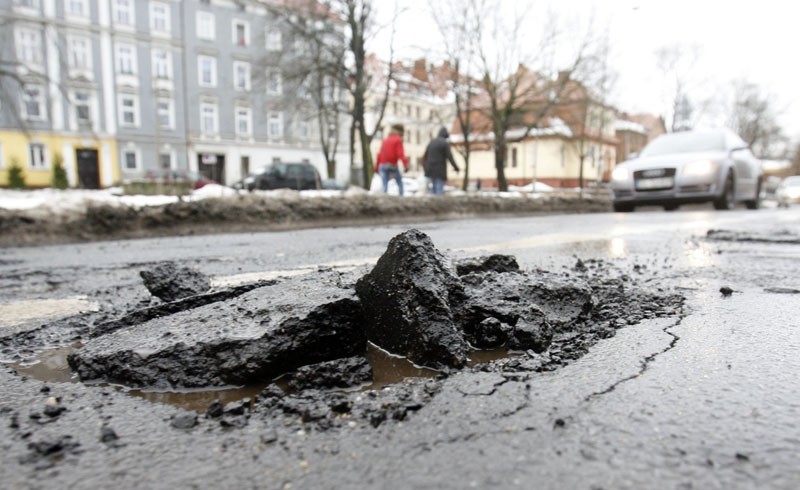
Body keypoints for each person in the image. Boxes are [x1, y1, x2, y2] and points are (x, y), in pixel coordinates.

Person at [423, 127, 460, 195]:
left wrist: (425, 168)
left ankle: (433, 203)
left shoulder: (432, 142)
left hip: (430, 169)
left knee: (433, 189)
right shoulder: (445, 143)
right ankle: (437, 203)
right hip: (440, 170)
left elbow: (425, 156)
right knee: (439, 189)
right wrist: (456, 167)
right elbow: (450, 157)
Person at [374, 124, 409, 196]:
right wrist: (406, 165)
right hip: (392, 165)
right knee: (399, 183)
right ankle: (401, 198)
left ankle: (384, 199)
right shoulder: (398, 139)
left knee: (384, 185)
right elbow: (400, 154)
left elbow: (380, 154)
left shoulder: (385, 140)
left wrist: (376, 168)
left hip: (382, 165)